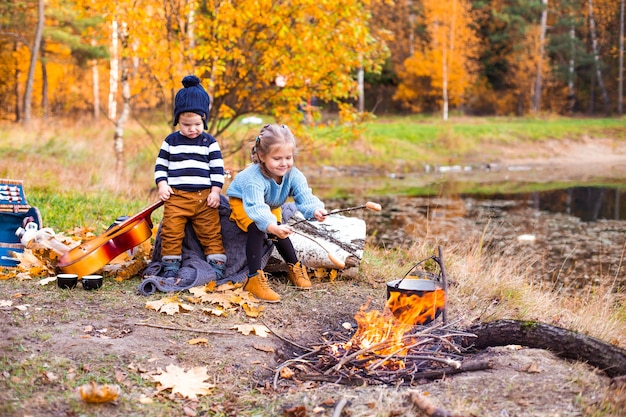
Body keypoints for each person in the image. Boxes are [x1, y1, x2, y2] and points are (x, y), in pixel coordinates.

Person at [226, 124, 327, 303]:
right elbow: (256, 208)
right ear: (262, 156)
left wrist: (315, 209)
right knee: (258, 227)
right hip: (245, 201)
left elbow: (304, 196)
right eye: (277, 158)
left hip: (269, 204)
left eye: (288, 157)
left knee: (281, 230)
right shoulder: (253, 179)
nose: (284, 163)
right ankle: (253, 278)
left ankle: (294, 268)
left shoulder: (292, 174)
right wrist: (270, 225)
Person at [154, 75, 227, 280]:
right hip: (176, 197)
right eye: (186, 124)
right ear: (178, 120)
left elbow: (217, 168)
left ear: (204, 119)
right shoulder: (171, 141)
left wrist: (215, 191)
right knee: (171, 230)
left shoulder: (209, 142)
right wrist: (162, 184)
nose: (192, 129)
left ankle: (217, 263)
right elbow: (161, 166)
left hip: (204, 198)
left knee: (211, 231)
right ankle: (170, 263)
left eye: (197, 124)